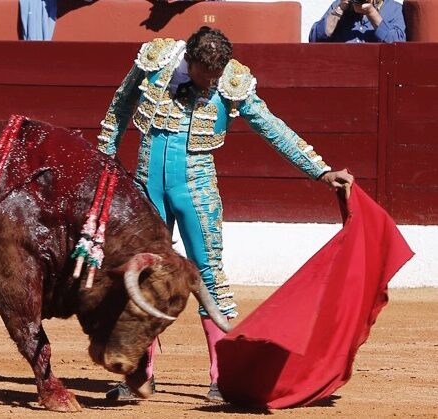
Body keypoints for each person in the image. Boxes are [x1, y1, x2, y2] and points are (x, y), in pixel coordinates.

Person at [97, 26, 355, 402]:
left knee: (210, 278)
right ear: (189, 61)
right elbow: (120, 104)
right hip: (146, 185)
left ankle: (222, 378)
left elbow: (272, 127)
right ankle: (139, 375)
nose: (212, 83)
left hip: (196, 188)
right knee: (143, 276)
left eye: (217, 76)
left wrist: (321, 170)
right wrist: (105, 157)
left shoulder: (233, 82)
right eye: (206, 76)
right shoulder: (156, 60)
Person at [308, 0, 405, 43]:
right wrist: (339, 10)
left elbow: (398, 44)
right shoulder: (339, 5)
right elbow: (315, 39)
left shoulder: (393, 9)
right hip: (341, 71)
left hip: (376, 73)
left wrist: (371, 13)